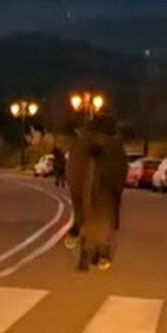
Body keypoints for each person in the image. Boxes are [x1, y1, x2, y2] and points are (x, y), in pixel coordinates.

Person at [65, 114, 128, 271]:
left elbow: (72, 174)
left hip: (85, 187)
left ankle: (84, 252)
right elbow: (121, 175)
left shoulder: (80, 145)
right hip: (108, 189)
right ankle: (103, 254)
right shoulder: (115, 147)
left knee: (85, 214)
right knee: (108, 218)